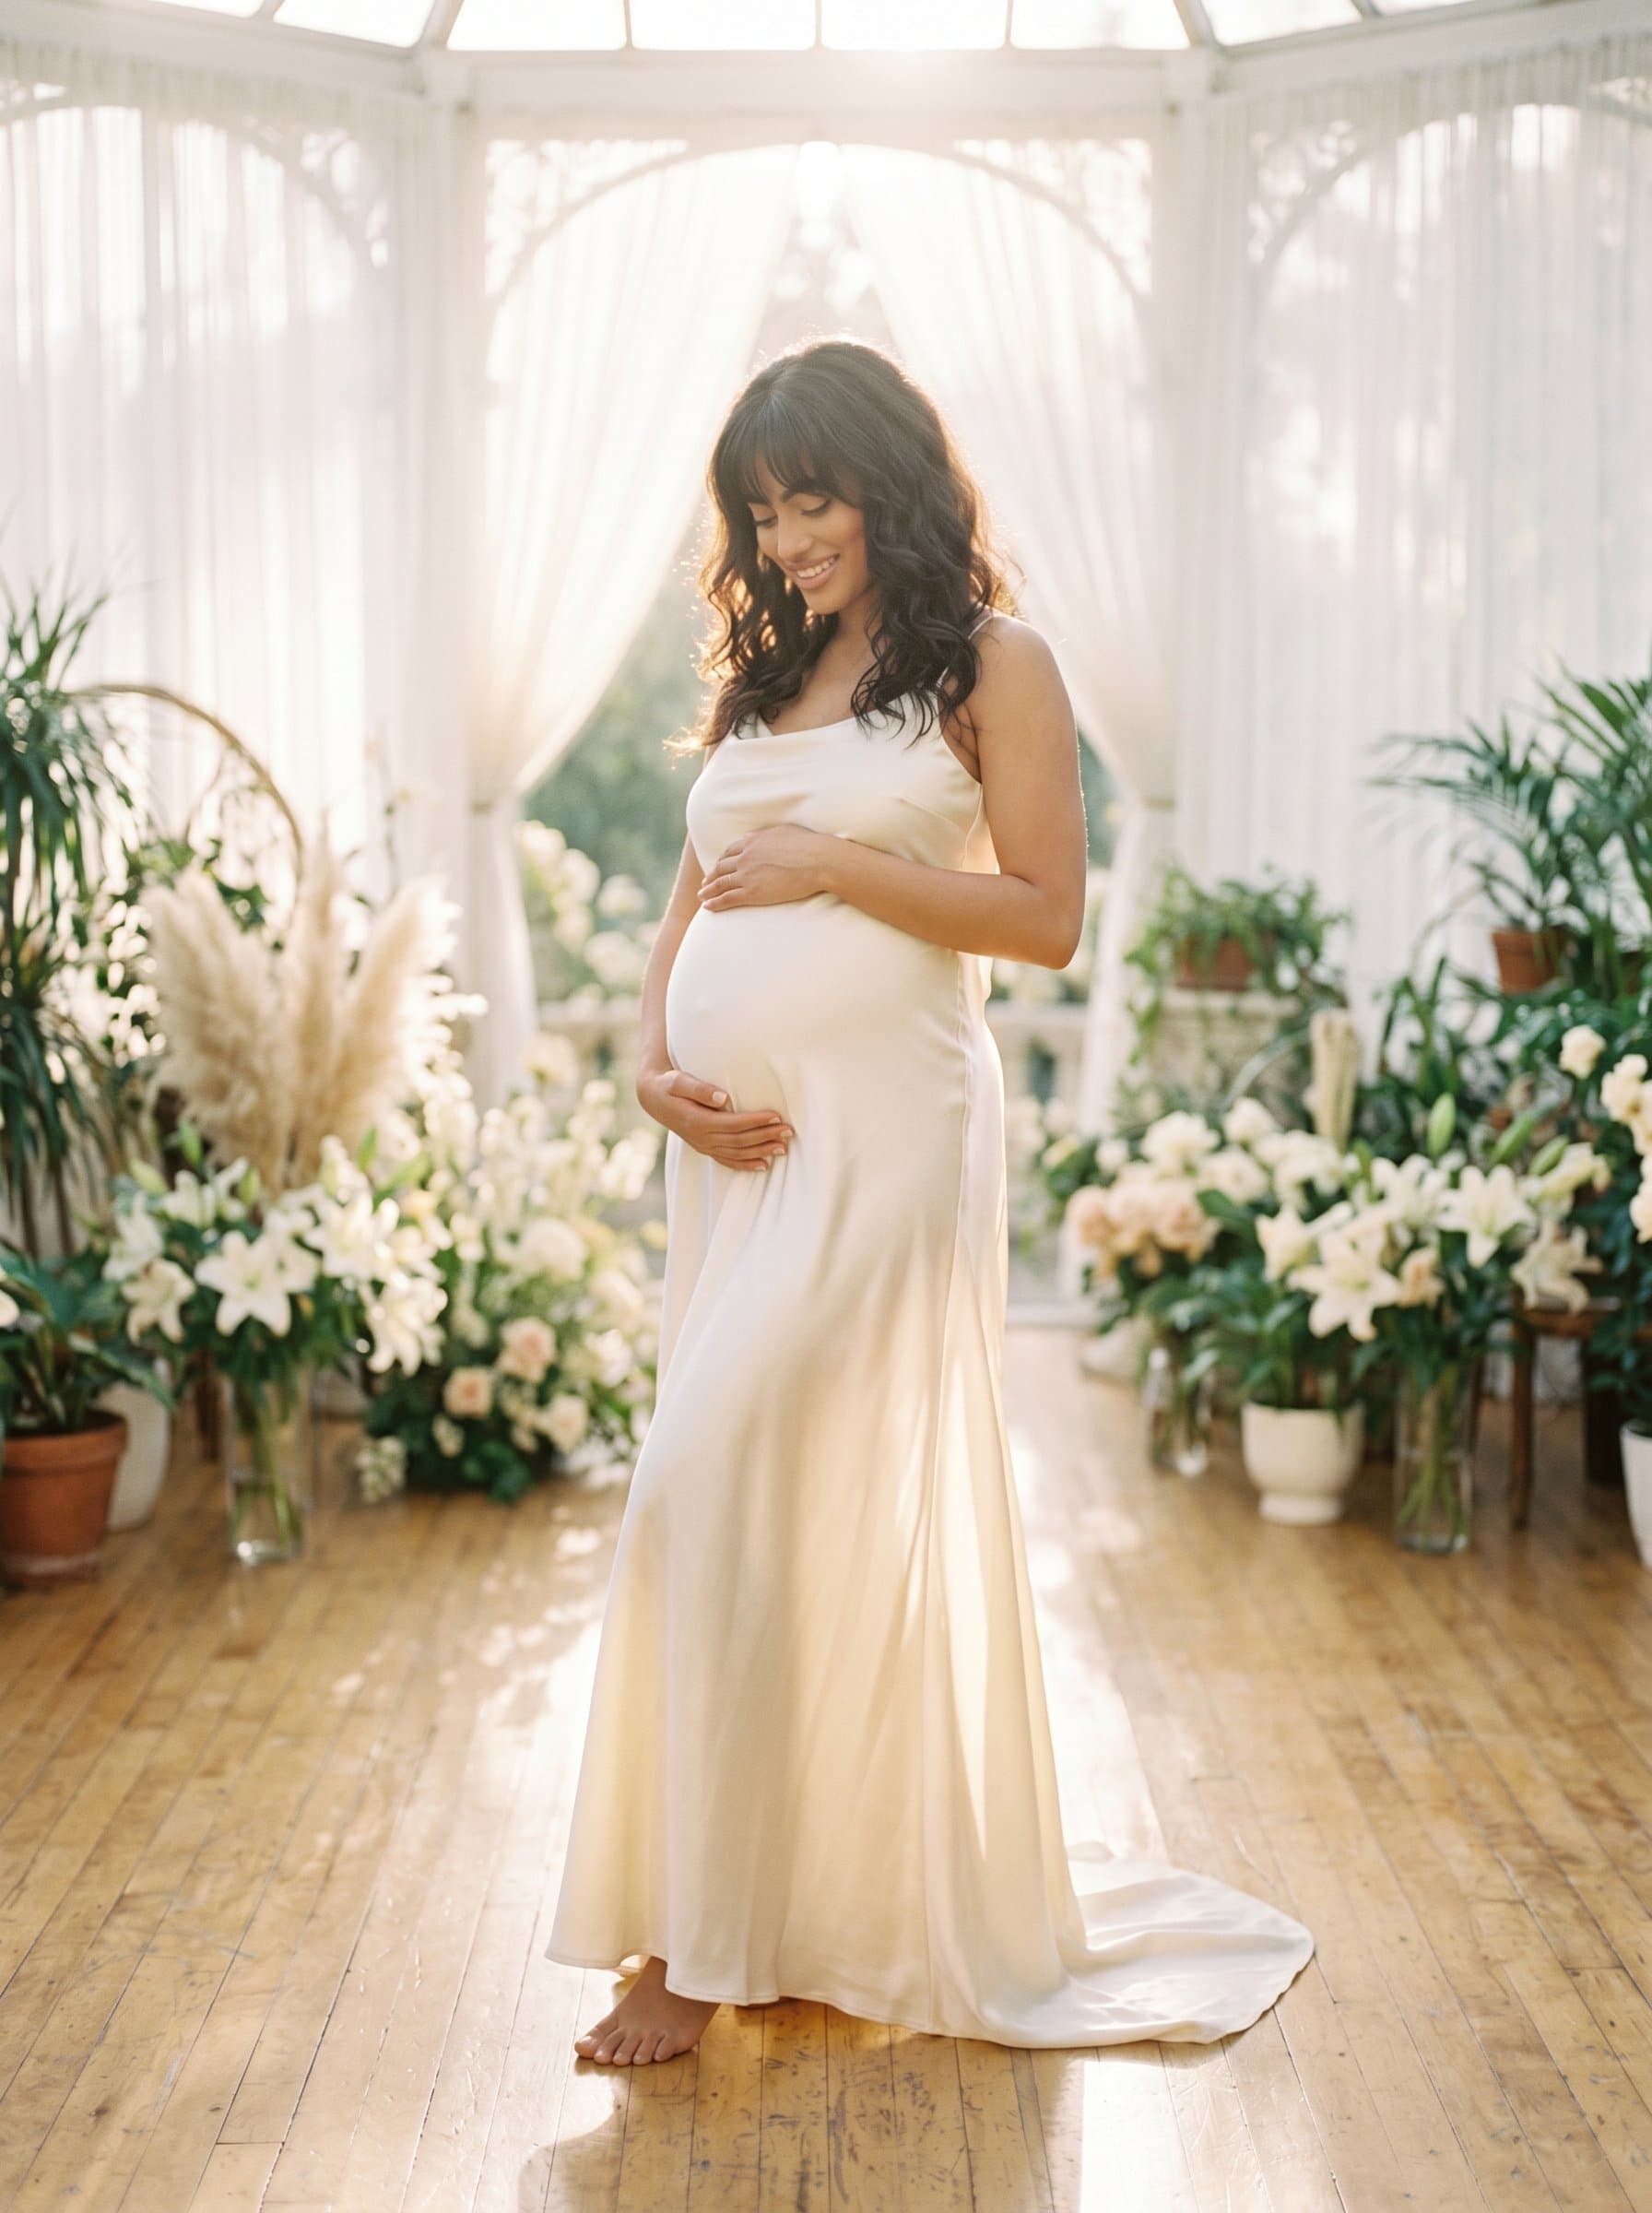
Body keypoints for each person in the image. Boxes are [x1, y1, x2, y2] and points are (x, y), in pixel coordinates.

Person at [546, 337, 1315, 2065]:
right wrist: (655, 1066)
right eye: (762, 511)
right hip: (731, 1154)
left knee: (698, 1481)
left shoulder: (999, 666)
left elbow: (1044, 916)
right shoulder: (769, 675)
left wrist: (837, 869)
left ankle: (699, 1942)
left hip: (888, 1136)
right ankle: (743, 1908)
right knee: (755, 1505)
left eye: (808, 500)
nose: (788, 536)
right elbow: (692, 895)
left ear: (883, 478)